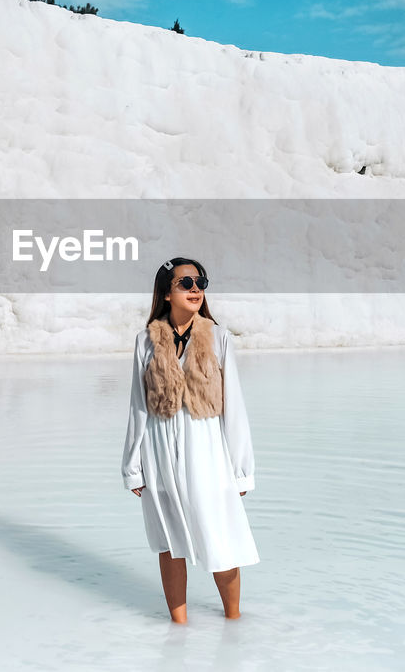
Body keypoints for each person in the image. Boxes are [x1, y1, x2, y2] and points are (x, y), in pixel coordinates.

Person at [121, 257, 260, 623]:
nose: (196, 289)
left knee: (221, 537)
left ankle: (234, 623)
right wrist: (132, 467)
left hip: (208, 451)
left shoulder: (218, 338)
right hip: (158, 451)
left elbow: (235, 408)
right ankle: (178, 630)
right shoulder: (145, 341)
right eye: (186, 283)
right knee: (169, 543)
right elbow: (138, 408)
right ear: (167, 292)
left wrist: (241, 471)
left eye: (201, 282)